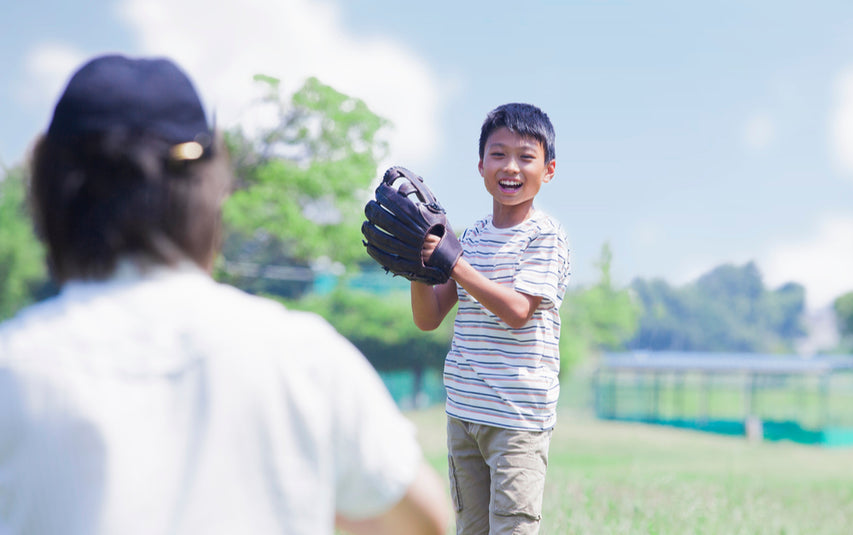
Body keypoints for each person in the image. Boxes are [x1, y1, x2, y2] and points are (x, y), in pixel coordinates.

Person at [0, 54, 450, 535]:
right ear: (213, 186)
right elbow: (423, 523)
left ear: (46, 189)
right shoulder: (303, 358)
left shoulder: (13, 367)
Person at [411, 103, 571, 534]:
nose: (510, 167)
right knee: (471, 529)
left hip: (518, 420)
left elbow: (519, 311)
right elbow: (429, 318)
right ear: (481, 165)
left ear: (549, 169)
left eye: (525, 156)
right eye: (498, 154)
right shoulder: (473, 236)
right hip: (464, 412)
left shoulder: (546, 236)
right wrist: (418, 268)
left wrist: (455, 263)